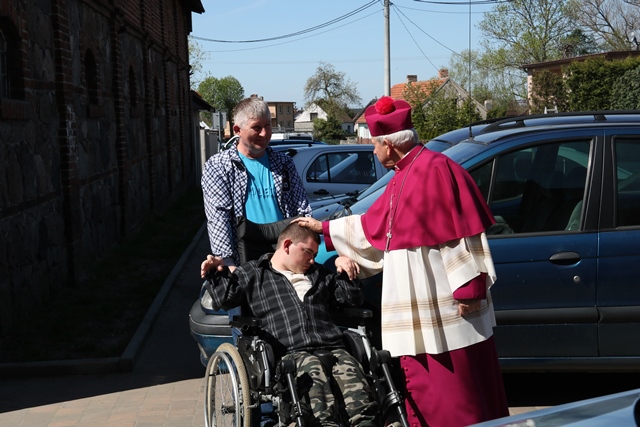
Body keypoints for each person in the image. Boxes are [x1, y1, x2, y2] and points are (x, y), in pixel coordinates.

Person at [293, 96, 509, 427]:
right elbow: (374, 227)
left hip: (443, 308)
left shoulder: (436, 170)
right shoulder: (402, 174)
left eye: (374, 143)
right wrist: (323, 229)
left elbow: (459, 235)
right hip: (420, 308)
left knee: (456, 394)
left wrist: (469, 289)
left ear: (389, 145)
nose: (372, 151)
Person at [200, 223, 378, 427]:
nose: (312, 260)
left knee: (357, 390)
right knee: (313, 375)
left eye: (314, 255)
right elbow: (224, 299)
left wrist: (345, 269)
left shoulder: (319, 273)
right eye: (308, 252)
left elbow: (351, 300)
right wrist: (216, 272)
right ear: (287, 245)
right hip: (290, 351)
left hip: (333, 345)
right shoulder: (254, 273)